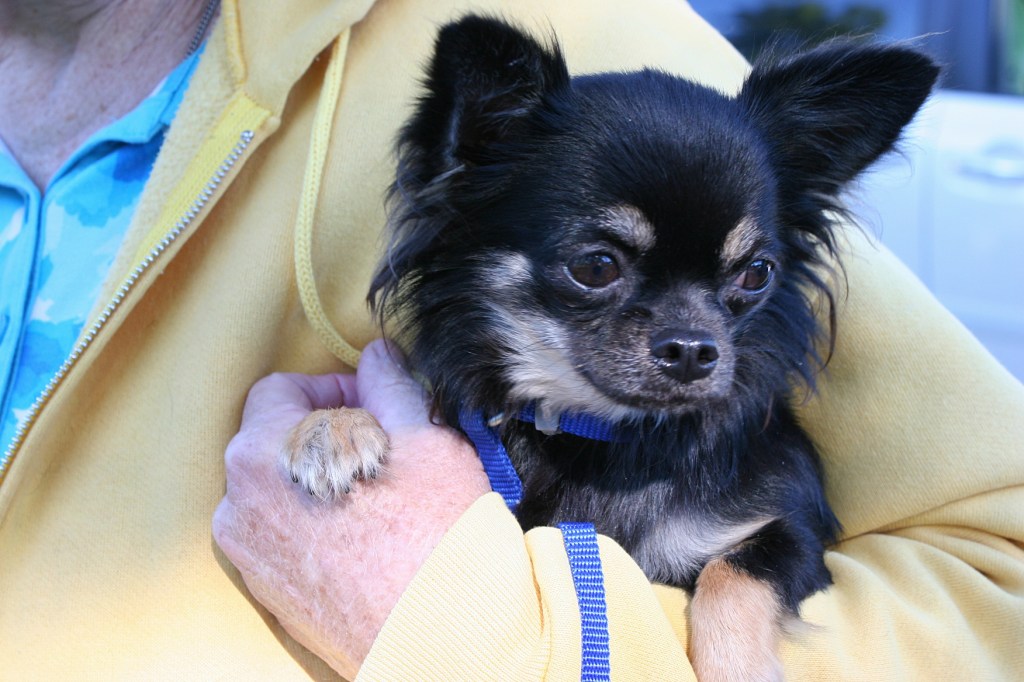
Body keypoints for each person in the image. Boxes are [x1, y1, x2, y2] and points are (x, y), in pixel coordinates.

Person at [0, 0, 1021, 679]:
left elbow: (994, 565)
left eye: (741, 283)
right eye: (599, 268)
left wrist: (476, 627)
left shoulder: (592, 31)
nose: (695, 337)